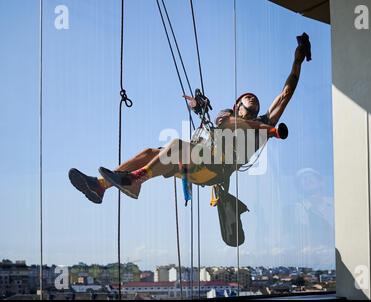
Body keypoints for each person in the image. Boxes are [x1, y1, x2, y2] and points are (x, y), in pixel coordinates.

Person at [69, 33, 312, 204]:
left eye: (255, 99)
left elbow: (285, 94)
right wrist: (264, 128)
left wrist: (297, 60)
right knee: (149, 152)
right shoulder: (228, 116)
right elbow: (228, 124)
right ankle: (100, 186)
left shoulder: (266, 123)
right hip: (200, 161)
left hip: (215, 170)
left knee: (175, 146)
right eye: (247, 97)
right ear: (237, 106)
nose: (253, 98)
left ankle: (135, 181)